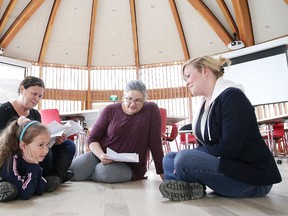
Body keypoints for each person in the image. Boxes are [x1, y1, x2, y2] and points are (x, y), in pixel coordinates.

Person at [159, 55, 282, 201]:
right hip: (229, 168)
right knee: (169, 158)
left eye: (188, 76)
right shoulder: (205, 103)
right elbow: (206, 146)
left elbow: (229, 149)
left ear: (205, 71)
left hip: (251, 180)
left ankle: (184, 184)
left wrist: (190, 155)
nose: (186, 83)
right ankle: (190, 188)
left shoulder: (232, 97)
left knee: (184, 158)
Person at [69, 80, 164, 183]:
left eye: (138, 101)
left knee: (103, 171)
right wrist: (101, 155)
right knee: (72, 171)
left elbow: (155, 143)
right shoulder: (110, 110)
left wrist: (163, 174)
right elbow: (92, 138)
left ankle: (88, 174)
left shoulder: (151, 110)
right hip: (102, 156)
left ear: (144, 100)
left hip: (131, 166)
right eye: (129, 99)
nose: (132, 104)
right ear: (124, 97)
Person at [0, 76, 76, 193]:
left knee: (68, 145)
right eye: (34, 94)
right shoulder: (3, 110)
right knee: (45, 151)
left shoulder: (35, 114)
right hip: (15, 154)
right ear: (22, 89)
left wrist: (54, 139)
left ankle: (55, 177)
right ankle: (47, 179)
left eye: (40, 96)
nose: (36, 99)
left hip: (36, 153)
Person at [0, 117, 50, 202]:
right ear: (23, 146)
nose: (46, 151)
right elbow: (25, 194)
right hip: (9, 179)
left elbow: (40, 189)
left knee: (18, 188)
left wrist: (35, 165)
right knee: (14, 189)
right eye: (41, 145)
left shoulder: (30, 158)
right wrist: (34, 167)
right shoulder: (11, 160)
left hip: (20, 182)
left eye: (47, 145)